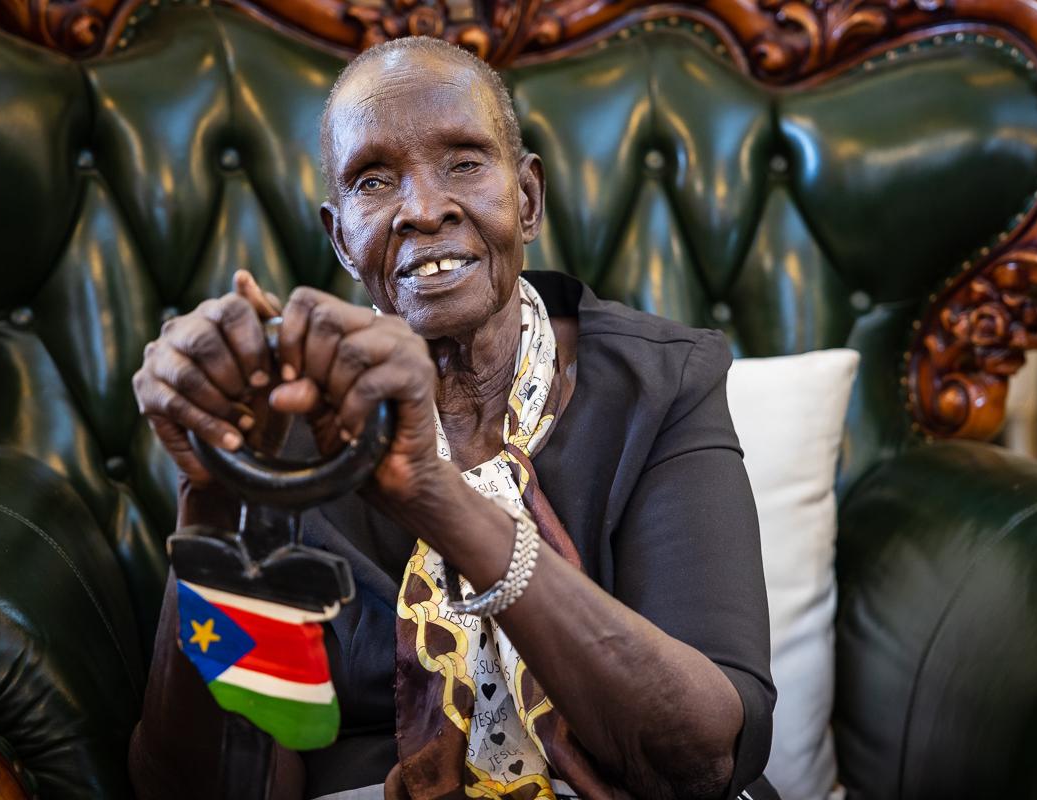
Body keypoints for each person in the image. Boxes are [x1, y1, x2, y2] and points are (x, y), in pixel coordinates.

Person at [129, 35, 777, 800]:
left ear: (527, 198)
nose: (423, 209)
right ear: (341, 239)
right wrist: (217, 502)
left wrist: (434, 496)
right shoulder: (288, 429)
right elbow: (222, 787)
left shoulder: (660, 383)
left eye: (464, 163)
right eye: (374, 181)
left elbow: (705, 758)